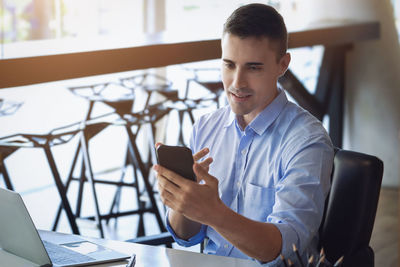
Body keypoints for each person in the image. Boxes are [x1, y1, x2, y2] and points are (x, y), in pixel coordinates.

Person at [154, 3, 334, 266]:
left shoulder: (308, 141)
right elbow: (186, 237)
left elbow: (283, 249)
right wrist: (182, 202)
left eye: (253, 67)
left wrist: (214, 212)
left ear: (282, 65)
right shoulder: (206, 127)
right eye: (229, 64)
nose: (237, 82)